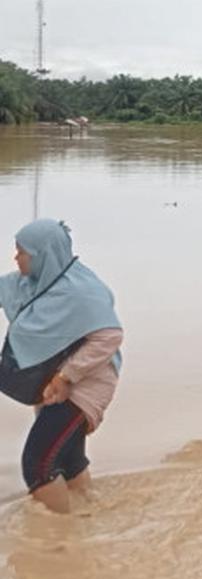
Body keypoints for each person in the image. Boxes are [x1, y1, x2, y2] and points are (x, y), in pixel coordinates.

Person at [0, 220, 123, 513]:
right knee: (68, 461)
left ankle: (59, 541)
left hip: (86, 385)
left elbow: (110, 336)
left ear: (43, 254)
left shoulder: (82, 292)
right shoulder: (29, 283)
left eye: (22, 252)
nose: (16, 258)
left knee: (38, 466)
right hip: (53, 382)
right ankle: (88, 517)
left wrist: (67, 376)